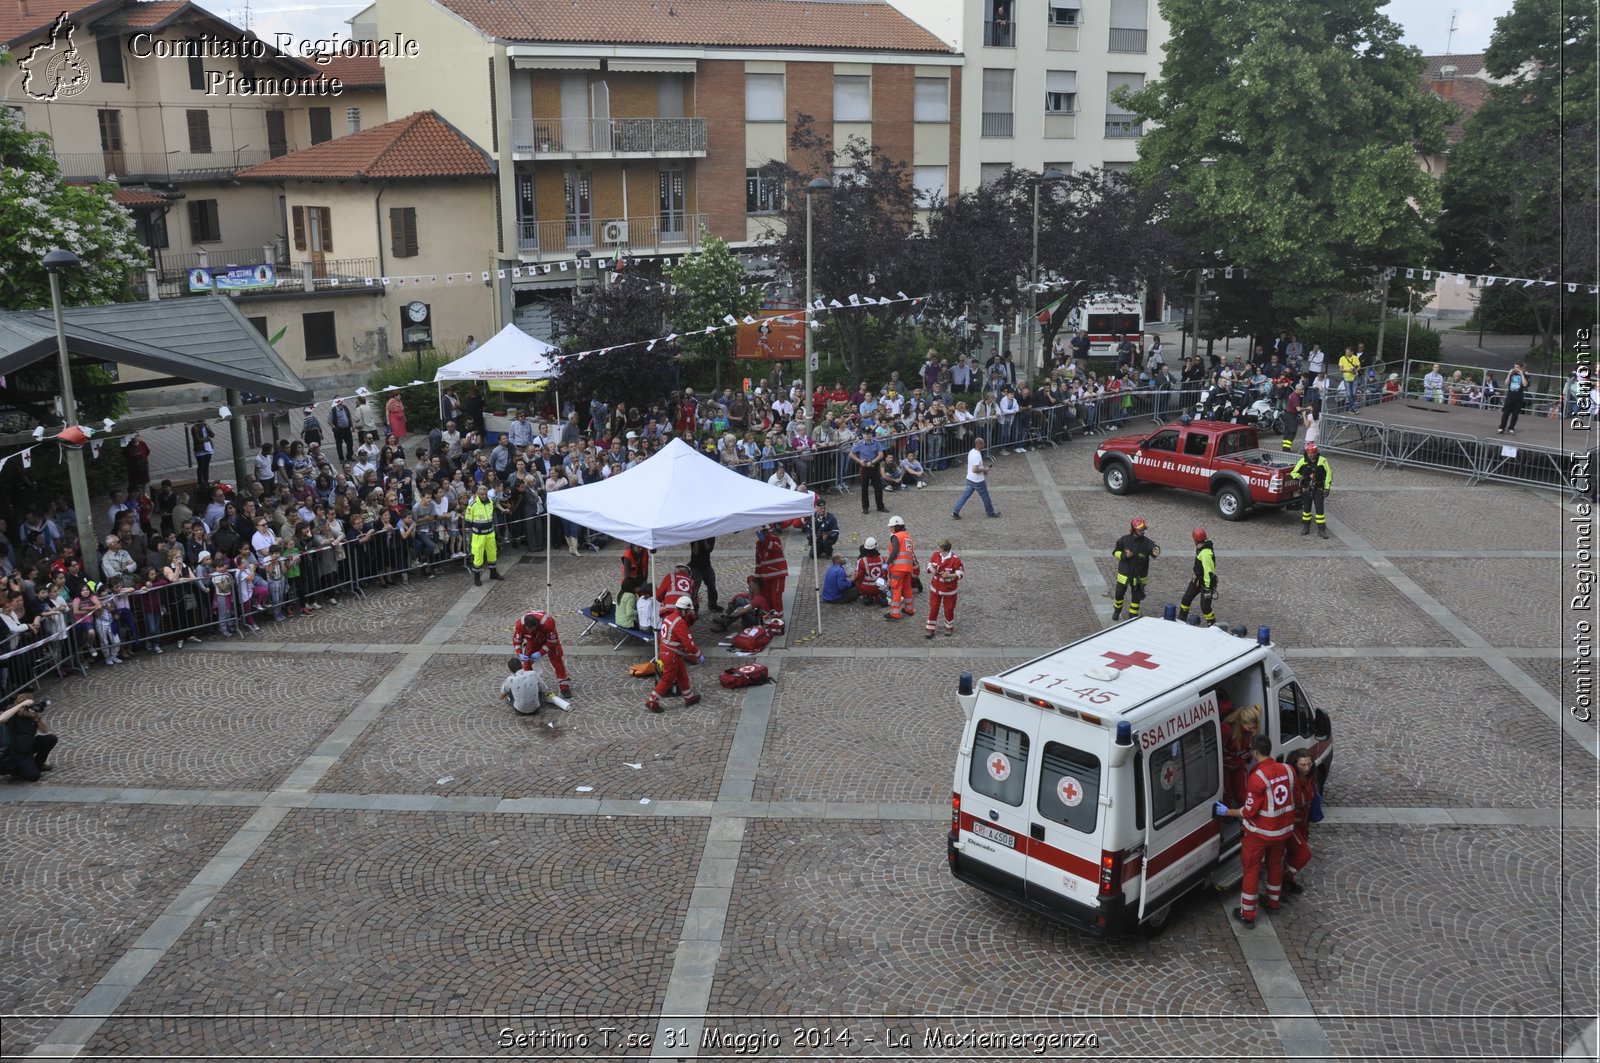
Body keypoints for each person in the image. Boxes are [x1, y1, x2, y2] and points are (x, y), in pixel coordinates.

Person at [1217, 735, 1296, 928]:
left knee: (1251, 870)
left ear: (1255, 752)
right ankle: (1273, 901)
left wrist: (1226, 811)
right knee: (1275, 864)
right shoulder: (1288, 769)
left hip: (1260, 833)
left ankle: (1248, 913)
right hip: (1282, 830)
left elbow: (1249, 811)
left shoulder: (1257, 777)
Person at [648, 594, 702, 713]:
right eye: (688, 611)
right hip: (671, 655)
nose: (689, 613)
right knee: (667, 679)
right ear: (684, 610)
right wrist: (698, 654)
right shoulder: (680, 623)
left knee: (682, 674)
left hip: (667, 652)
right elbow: (688, 644)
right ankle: (652, 701)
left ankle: (689, 697)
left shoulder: (669, 617)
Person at [1284, 747, 1321, 895]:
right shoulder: (1292, 783)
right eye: (1302, 765)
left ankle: (1288, 880)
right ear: (1294, 764)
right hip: (1291, 824)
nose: (1306, 768)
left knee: (1293, 854)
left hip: (1303, 823)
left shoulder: (1310, 778)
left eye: (1309, 764)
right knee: (1303, 854)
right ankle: (1281, 878)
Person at [514, 609, 572, 697]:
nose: (531, 631)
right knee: (527, 663)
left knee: (557, 661)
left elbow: (552, 641)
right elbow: (517, 640)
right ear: (526, 626)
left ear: (537, 624)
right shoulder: (520, 625)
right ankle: (530, 685)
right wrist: (519, 653)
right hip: (532, 640)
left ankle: (564, 687)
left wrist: (540, 652)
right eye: (530, 629)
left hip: (548, 639)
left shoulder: (548, 624)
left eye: (533, 629)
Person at [1110, 517, 1160, 621]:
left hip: (1139, 576)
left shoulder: (1147, 543)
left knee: (1136, 599)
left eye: (1143, 530)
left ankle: (1132, 618)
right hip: (1124, 574)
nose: (1142, 532)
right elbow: (1115, 552)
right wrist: (1124, 555)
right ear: (1134, 530)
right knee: (1119, 594)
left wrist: (1156, 550)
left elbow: (1154, 547)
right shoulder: (1124, 540)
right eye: (1140, 530)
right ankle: (1117, 610)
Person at [0, 694, 57, 781]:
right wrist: (20, 705)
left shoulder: (31, 716)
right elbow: (1, 718)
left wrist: (37, 718)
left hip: (29, 746)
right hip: (15, 753)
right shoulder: (14, 715)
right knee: (34, 776)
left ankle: (38, 764)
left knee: (51, 739)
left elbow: (45, 730)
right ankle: (15, 769)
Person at [1220, 700, 1260, 806]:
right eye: (1250, 728)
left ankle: (1244, 815)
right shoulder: (1227, 730)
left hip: (1239, 764)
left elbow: (1247, 748)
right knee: (1227, 796)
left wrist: (1249, 756)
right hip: (1225, 766)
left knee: (1243, 795)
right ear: (1242, 722)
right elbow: (1218, 750)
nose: (1252, 730)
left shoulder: (1248, 732)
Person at [464, 482, 504, 585]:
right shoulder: (472, 505)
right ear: (477, 494)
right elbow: (468, 520)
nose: (484, 496)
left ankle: (493, 573)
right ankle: (477, 577)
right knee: (478, 556)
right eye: (482, 494)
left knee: (492, 554)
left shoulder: (490, 502)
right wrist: (468, 533)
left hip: (490, 533)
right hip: (478, 535)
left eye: (485, 494)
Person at [951, 436, 999, 519]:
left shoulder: (971, 452)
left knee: (965, 496)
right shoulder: (977, 455)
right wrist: (985, 469)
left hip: (970, 478)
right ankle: (990, 512)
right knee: (985, 496)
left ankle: (955, 511)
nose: (984, 444)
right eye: (983, 443)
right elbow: (975, 469)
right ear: (979, 444)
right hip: (978, 480)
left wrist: (984, 470)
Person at [924, 538, 964, 638]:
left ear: (943, 548)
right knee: (933, 608)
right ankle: (930, 628)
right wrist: (932, 570)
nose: (937, 549)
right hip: (936, 589)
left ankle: (948, 627)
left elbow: (960, 573)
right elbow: (929, 565)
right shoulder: (935, 555)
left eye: (939, 547)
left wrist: (950, 576)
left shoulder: (955, 559)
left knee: (949, 609)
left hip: (949, 590)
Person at [1291, 443, 1332, 539]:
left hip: (1318, 488)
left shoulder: (1323, 461)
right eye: (1309, 453)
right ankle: (1306, 527)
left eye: (1312, 453)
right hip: (1306, 489)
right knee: (1306, 509)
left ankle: (1321, 530)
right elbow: (1293, 473)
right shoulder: (1303, 461)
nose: (1310, 455)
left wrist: (1327, 488)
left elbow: (1329, 474)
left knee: (1319, 510)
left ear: (1316, 453)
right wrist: (1299, 476)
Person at [1178, 526, 1217, 626]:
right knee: (1186, 599)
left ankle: (1212, 624)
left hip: (1206, 583)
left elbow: (1209, 572)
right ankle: (1181, 619)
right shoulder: (1201, 548)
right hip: (1197, 580)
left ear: (1195, 540)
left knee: (1205, 607)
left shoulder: (1206, 553)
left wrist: (1208, 588)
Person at [883, 514, 917, 621]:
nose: (891, 529)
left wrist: (887, 563)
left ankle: (895, 613)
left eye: (891, 527)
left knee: (896, 589)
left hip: (898, 568)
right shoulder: (908, 537)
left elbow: (895, 551)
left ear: (896, 527)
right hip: (908, 568)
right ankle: (909, 609)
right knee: (907, 588)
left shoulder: (896, 537)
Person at [500, 656, 554, 720]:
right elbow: (545, 690)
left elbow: (501, 697)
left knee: (508, 692)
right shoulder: (533, 674)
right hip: (536, 709)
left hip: (520, 710)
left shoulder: (510, 679)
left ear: (511, 670)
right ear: (521, 665)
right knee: (538, 688)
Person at [753, 525, 787, 623]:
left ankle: (779, 619)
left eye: (763, 532)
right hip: (766, 576)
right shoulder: (759, 544)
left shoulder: (775, 539)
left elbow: (775, 548)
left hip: (777, 574)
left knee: (775, 597)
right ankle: (771, 616)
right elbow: (758, 562)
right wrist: (756, 578)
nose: (761, 534)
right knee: (767, 596)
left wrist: (765, 541)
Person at [850, 433, 888, 515]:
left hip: (874, 466)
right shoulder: (859, 444)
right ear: (863, 434)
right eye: (865, 434)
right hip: (864, 468)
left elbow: (881, 454)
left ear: (871, 434)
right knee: (864, 488)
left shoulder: (876, 442)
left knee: (878, 487)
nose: (867, 436)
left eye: (869, 434)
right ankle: (865, 507)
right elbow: (851, 454)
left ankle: (880, 506)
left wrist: (873, 462)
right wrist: (859, 461)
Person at [688, 537, 719, 612]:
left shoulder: (711, 537)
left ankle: (712, 604)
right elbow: (695, 551)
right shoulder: (694, 537)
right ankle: (695, 608)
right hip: (695, 567)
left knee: (712, 586)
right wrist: (697, 540)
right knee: (694, 589)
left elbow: (708, 549)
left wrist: (704, 539)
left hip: (706, 565)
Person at [854, 537, 887, 605]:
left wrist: (855, 581)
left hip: (867, 587)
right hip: (880, 586)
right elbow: (885, 573)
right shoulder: (882, 559)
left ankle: (866, 596)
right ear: (876, 547)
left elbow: (859, 576)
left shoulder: (862, 561)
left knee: (857, 582)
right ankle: (880, 596)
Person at [1498, 362, 1528, 435]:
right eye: (1515, 367)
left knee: (1515, 415)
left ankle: (1511, 428)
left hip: (1518, 398)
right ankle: (1502, 427)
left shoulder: (1525, 375)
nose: (1515, 369)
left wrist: (1522, 375)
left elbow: (1525, 384)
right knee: (1505, 413)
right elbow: (1506, 383)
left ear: (1521, 368)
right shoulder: (1512, 374)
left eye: (1517, 367)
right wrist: (1509, 374)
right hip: (1510, 397)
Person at [329, 398, 355, 462]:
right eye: (339, 400)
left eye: (341, 400)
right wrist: (334, 428)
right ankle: (341, 458)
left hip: (347, 429)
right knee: (339, 445)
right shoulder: (333, 410)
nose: (341, 401)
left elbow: (349, 417)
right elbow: (329, 421)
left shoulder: (345, 407)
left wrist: (353, 425)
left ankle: (349, 456)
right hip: (339, 430)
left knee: (350, 443)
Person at [191, 421, 215, 490]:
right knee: (201, 466)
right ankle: (200, 483)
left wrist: (208, 428)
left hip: (208, 448)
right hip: (200, 449)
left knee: (206, 466)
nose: (203, 423)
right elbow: (197, 439)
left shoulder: (206, 426)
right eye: (202, 422)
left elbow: (212, 435)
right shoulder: (195, 428)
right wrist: (207, 438)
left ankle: (206, 482)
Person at [1338, 347, 1361, 411]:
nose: (1347, 353)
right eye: (1346, 352)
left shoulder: (1355, 357)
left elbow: (1359, 366)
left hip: (1354, 377)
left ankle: (1351, 408)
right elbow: (1340, 369)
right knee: (1348, 394)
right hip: (1346, 378)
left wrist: (1355, 370)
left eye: (1348, 352)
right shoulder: (1342, 358)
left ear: (1352, 352)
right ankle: (1353, 408)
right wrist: (1348, 370)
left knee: (1353, 393)